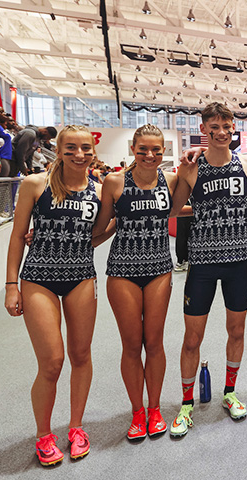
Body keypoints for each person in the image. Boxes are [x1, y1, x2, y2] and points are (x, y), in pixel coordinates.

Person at [168, 103, 247, 435]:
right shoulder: (192, 167)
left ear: (234, 128)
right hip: (202, 263)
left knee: (237, 331)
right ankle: (187, 403)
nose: (221, 131)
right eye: (214, 126)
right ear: (204, 129)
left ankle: (230, 392)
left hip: (237, 264)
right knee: (193, 338)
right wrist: (185, 184)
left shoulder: (246, 164)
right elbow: (175, 209)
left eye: (226, 125)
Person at [4, 125, 108, 466]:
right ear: (58, 150)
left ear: (93, 151)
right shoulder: (35, 185)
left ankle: (76, 427)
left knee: (81, 355)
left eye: (85, 148)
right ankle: (43, 433)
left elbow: (97, 233)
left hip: (81, 277)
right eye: (71, 148)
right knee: (52, 362)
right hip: (39, 279)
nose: (79, 154)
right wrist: (11, 285)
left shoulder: (100, 188)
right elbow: (19, 236)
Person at [93, 125, 180, 440]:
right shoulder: (114, 182)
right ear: (133, 148)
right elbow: (101, 227)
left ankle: (154, 408)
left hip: (159, 268)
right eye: (143, 149)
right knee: (131, 345)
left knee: (154, 343)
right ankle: (137, 412)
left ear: (163, 150)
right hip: (122, 270)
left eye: (156, 149)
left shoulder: (171, 180)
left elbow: (179, 208)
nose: (150, 155)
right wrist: (49, 237)